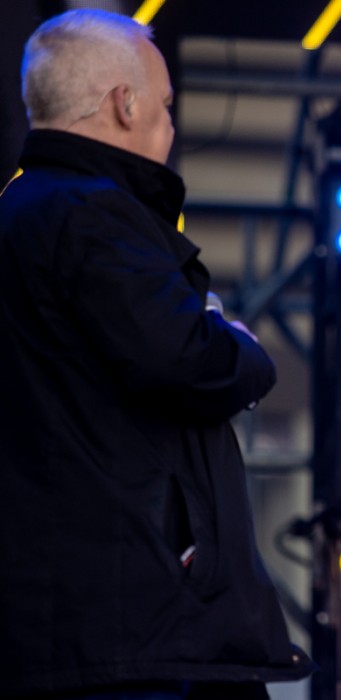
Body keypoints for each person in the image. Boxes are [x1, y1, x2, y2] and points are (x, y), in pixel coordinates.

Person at [0, 9, 311, 699]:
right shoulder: (94, 213)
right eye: (166, 105)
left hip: (62, 624)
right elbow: (190, 359)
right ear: (126, 104)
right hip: (133, 625)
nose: (170, 125)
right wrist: (240, 344)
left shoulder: (18, 210)